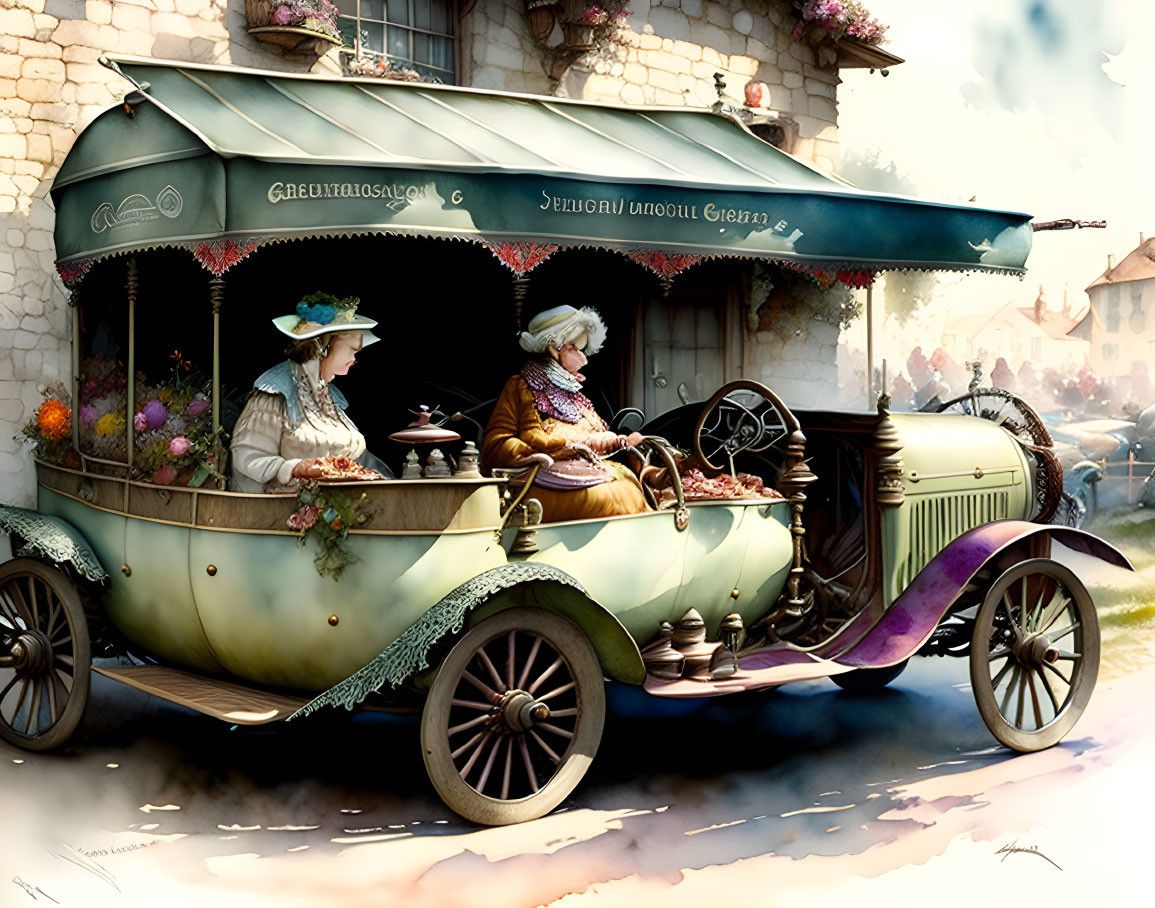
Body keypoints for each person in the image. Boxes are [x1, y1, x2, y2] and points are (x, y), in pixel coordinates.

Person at [482, 305, 649, 522]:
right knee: (608, 496)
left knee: (633, 483)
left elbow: (600, 435)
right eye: (573, 348)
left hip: (587, 468)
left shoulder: (576, 396)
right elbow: (496, 442)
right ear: (553, 348)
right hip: (539, 476)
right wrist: (538, 452)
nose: (583, 358)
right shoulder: (521, 386)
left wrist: (619, 441)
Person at [230, 293, 389, 493]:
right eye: (351, 349)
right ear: (323, 346)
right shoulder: (275, 393)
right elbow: (248, 455)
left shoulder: (331, 397)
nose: (354, 359)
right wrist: (294, 468)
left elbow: (357, 459)